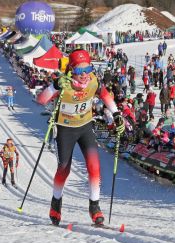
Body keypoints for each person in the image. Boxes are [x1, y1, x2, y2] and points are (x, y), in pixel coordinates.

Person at [49, 49, 124, 226]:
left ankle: (94, 207)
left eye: (88, 69)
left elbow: (105, 96)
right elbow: (42, 98)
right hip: (65, 129)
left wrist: (117, 114)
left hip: (84, 127)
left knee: (94, 166)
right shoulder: (64, 84)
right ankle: (56, 203)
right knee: (64, 168)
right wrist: (54, 86)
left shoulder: (93, 82)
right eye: (79, 71)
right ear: (71, 69)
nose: (84, 75)